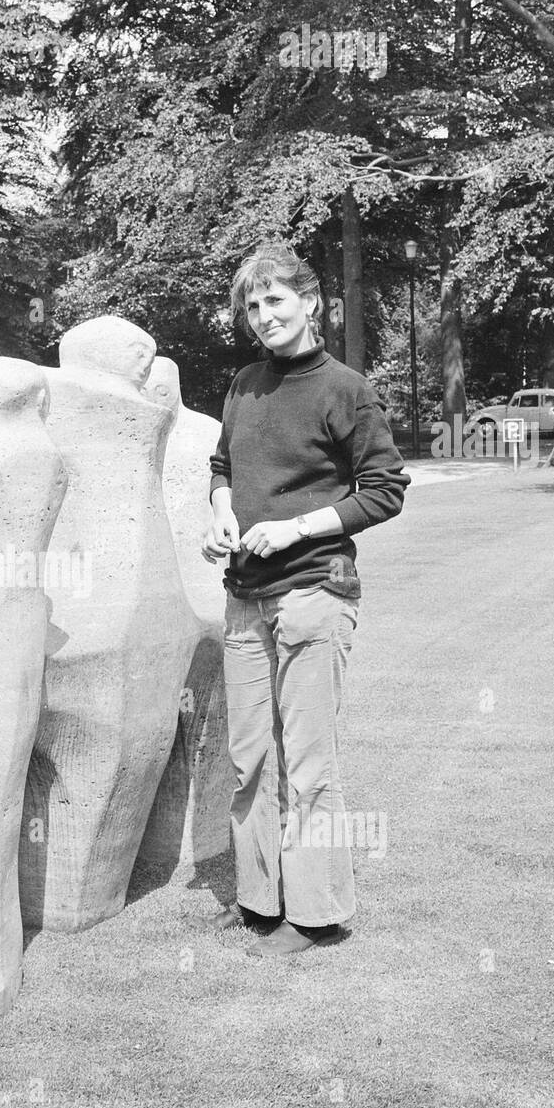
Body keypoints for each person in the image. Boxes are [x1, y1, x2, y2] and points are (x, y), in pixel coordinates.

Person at [202, 243, 409, 957]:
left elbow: (382, 491)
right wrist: (221, 514)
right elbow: (223, 465)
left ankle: (316, 917)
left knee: (311, 764)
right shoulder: (243, 385)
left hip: (314, 591)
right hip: (244, 597)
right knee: (248, 759)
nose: (262, 316)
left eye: (274, 301)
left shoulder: (344, 388)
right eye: (252, 306)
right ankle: (259, 901)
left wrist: (295, 527)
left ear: (310, 303)